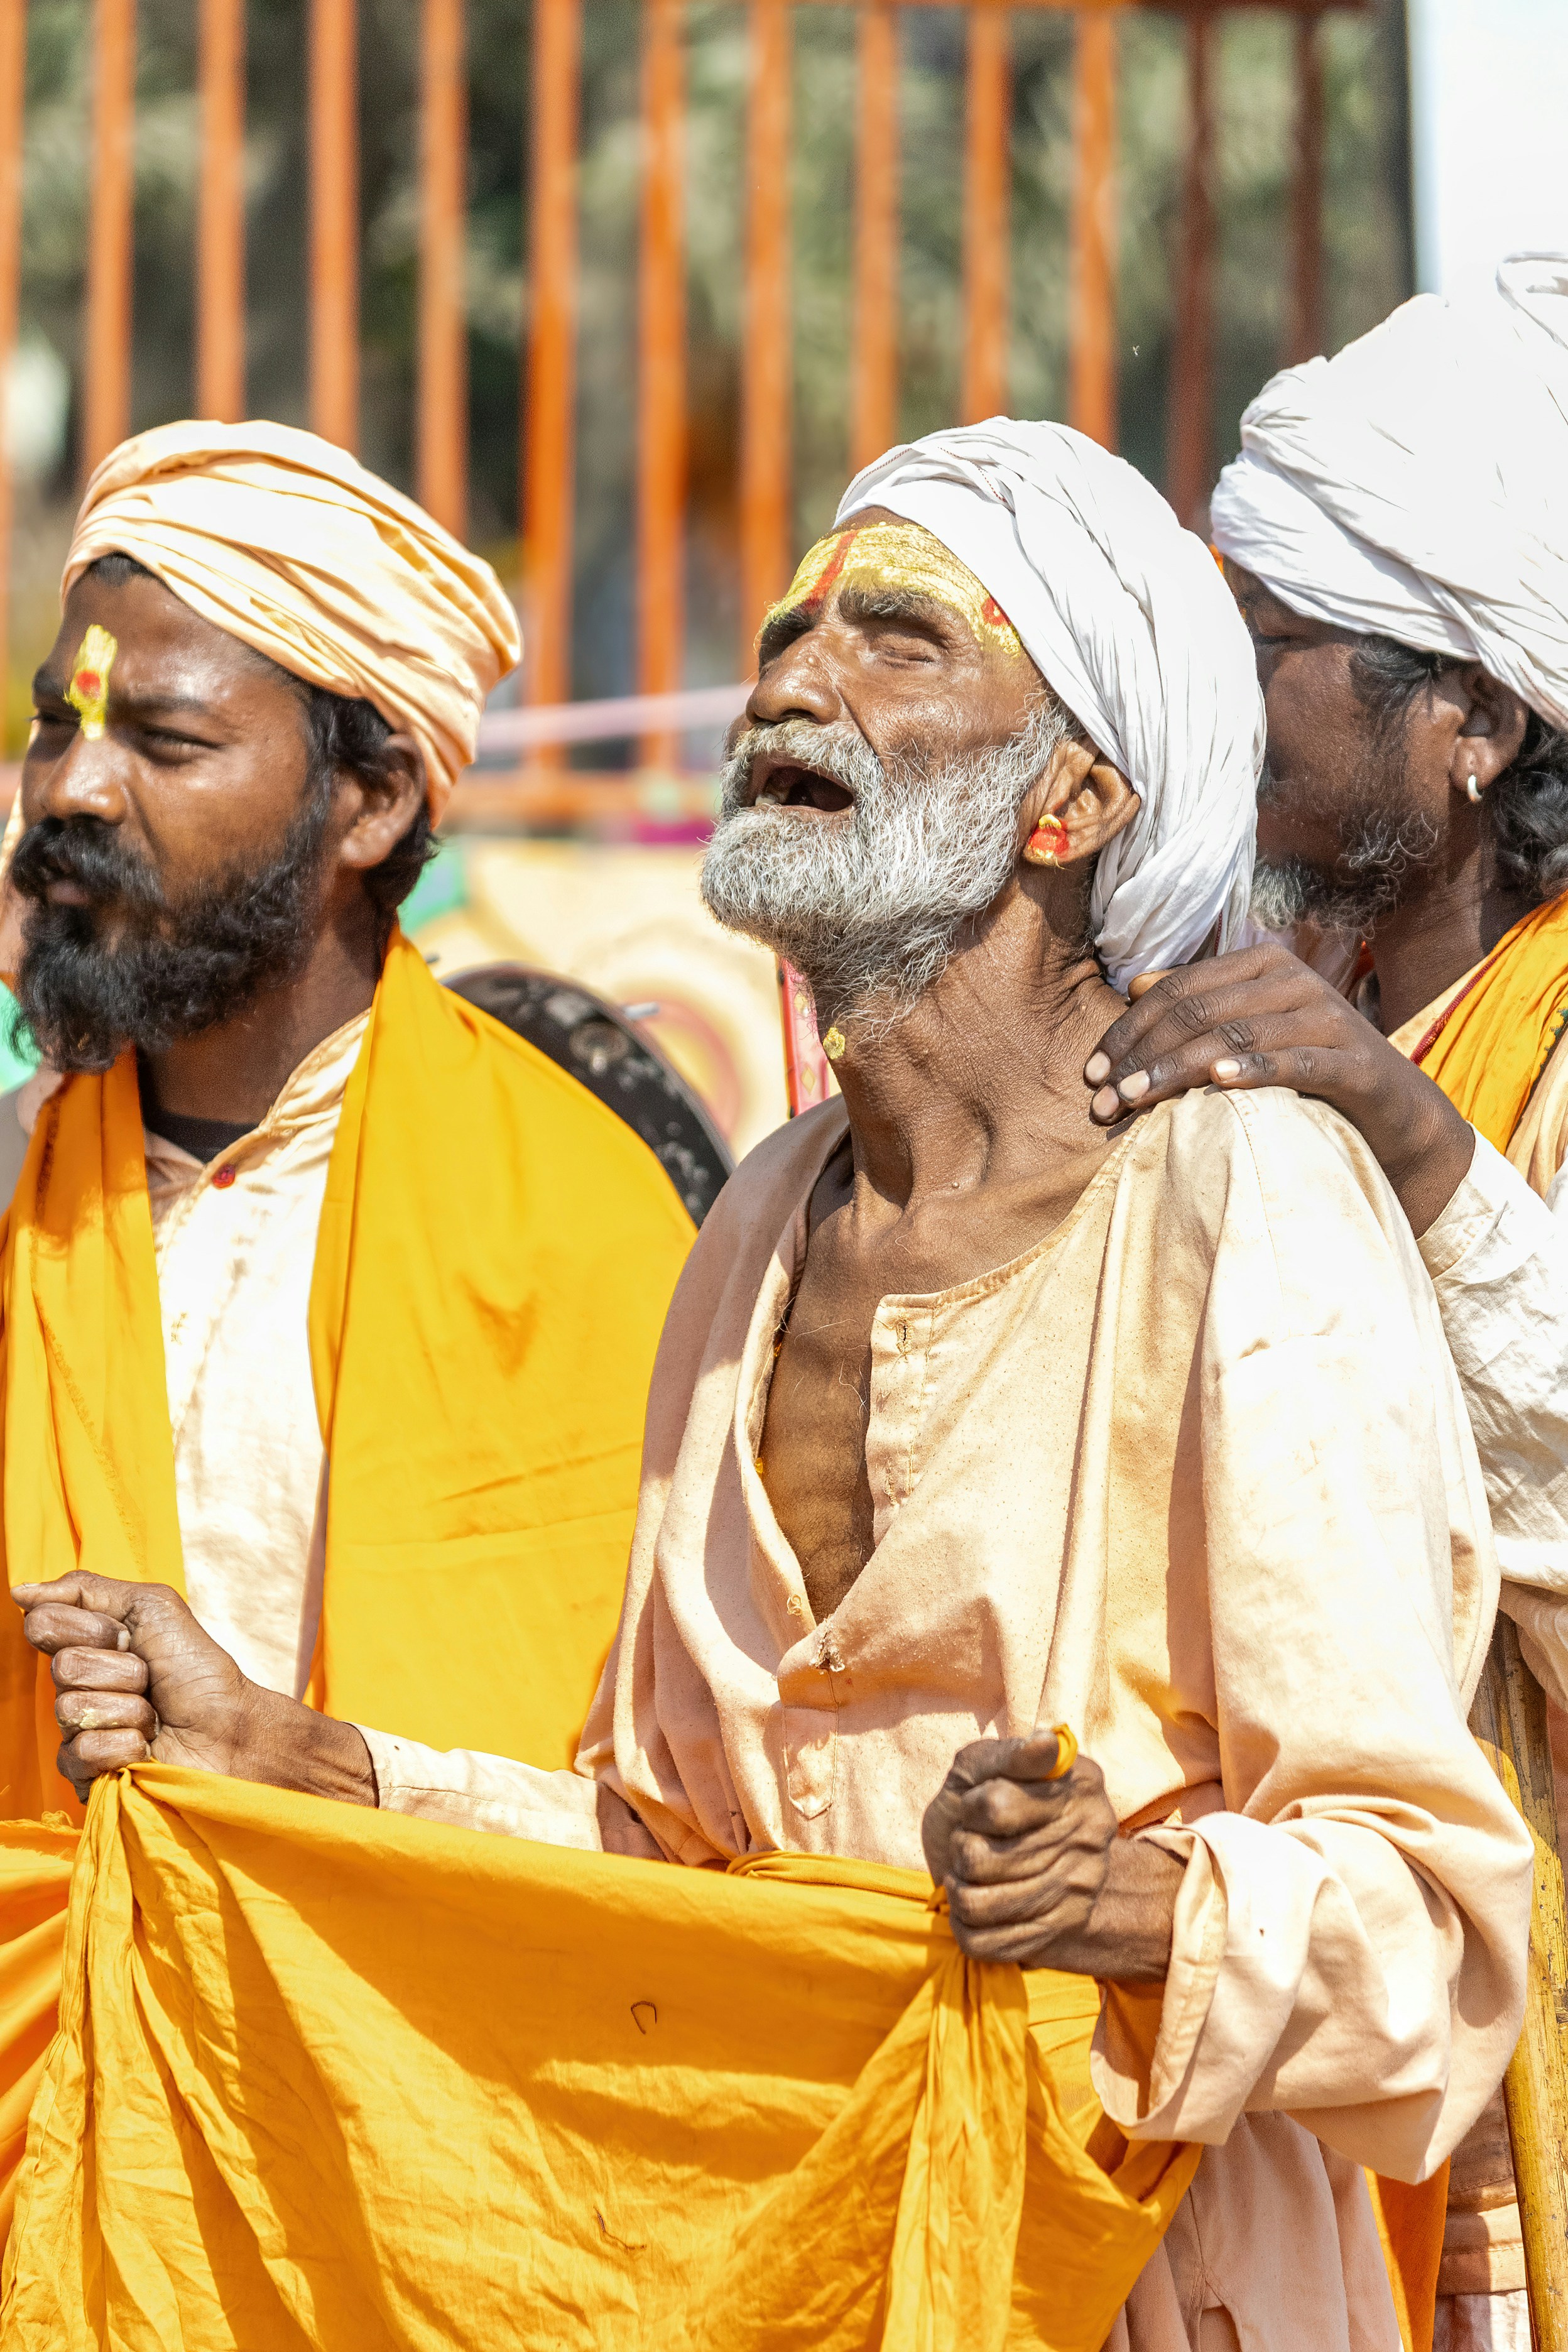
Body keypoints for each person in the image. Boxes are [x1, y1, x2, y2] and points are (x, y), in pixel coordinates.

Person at [20, 422, 1533, 2351]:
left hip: (1154, 2281)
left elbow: (1440, 1935)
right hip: (809, 2275)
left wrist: (1129, 1910)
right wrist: (300, 1756)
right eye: (792, 631)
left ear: (1071, 798)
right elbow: (668, 1856)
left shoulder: (1246, 1199)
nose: (795, 677)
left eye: (900, 641)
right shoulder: (754, 1226)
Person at [0, 420, 695, 2218]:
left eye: (159, 739)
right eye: (53, 727)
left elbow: (681, 1837)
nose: (70, 790)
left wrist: (301, 1766)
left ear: (369, 803)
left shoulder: (594, 1233)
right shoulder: (11, 1188)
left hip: (417, 2202)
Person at [1079, 258, 1568, 2351]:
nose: (1223, 704)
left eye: (1269, 650)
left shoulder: (1507, 1055)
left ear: (1475, 722)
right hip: (1312, 2035)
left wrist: (1415, 1144)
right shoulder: (1287, 1018)